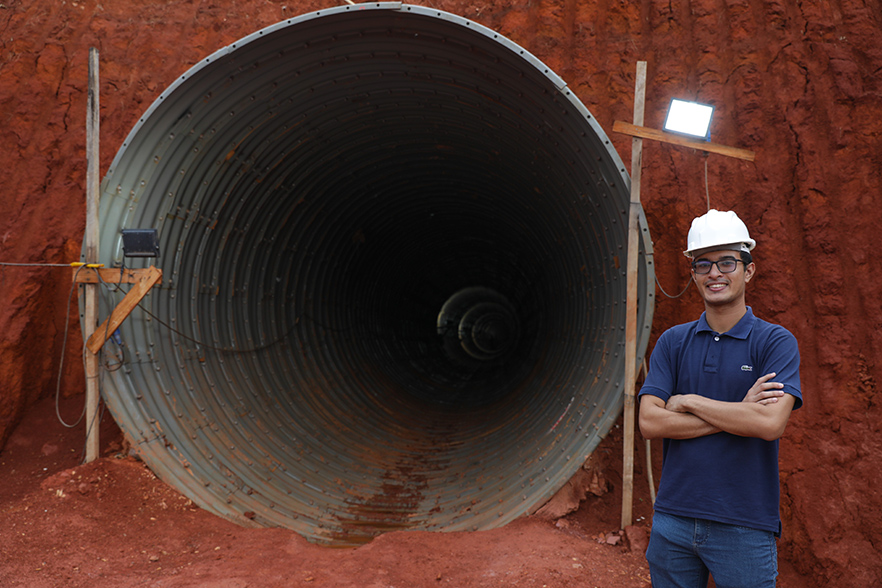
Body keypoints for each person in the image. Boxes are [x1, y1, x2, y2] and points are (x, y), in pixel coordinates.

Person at [638, 209, 802, 588]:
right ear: (693, 273)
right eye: (703, 264)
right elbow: (650, 423)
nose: (715, 273)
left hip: (743, 525)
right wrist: (740, 411)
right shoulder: (672, 342)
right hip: (672, 521)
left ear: (748, 270)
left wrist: (690, 400)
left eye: (727, 261)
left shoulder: (775, 342)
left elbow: (768, 424)